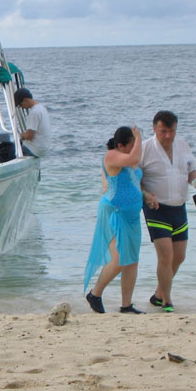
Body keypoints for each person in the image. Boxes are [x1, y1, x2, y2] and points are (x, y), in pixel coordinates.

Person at [139, 110, 196, 313]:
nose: (168, 136)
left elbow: (191, 171)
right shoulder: (144, 149)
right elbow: (134, 179)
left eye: (172, 131)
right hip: (156, 209)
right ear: (154, 128)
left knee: (179, 256)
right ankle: (167, 301)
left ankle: (158, 295)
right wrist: (145, 194)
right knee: (165, 256)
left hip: (179, 207)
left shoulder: (183, 145)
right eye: (163, 131)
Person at [84, 126, 145, 314]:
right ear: (121, 145)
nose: (135, 148)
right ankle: (95, 294)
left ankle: (126, 305)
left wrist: (146, 195)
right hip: (116, 212)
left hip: (132, 216)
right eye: (132, 144)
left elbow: (133, 182)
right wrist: (139, 138)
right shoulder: (111, 156)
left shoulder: (127, 157)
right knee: (119, 259)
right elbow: (134, 159)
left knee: (132, 260)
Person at [14, 88, 51, 158]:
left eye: (20, 104)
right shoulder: (42, 108)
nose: (22, 107)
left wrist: (22, 135)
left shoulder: (34, 112)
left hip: (35, 150)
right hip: (43, 148)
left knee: (9, 150)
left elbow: (29, 136)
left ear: (25, 100)